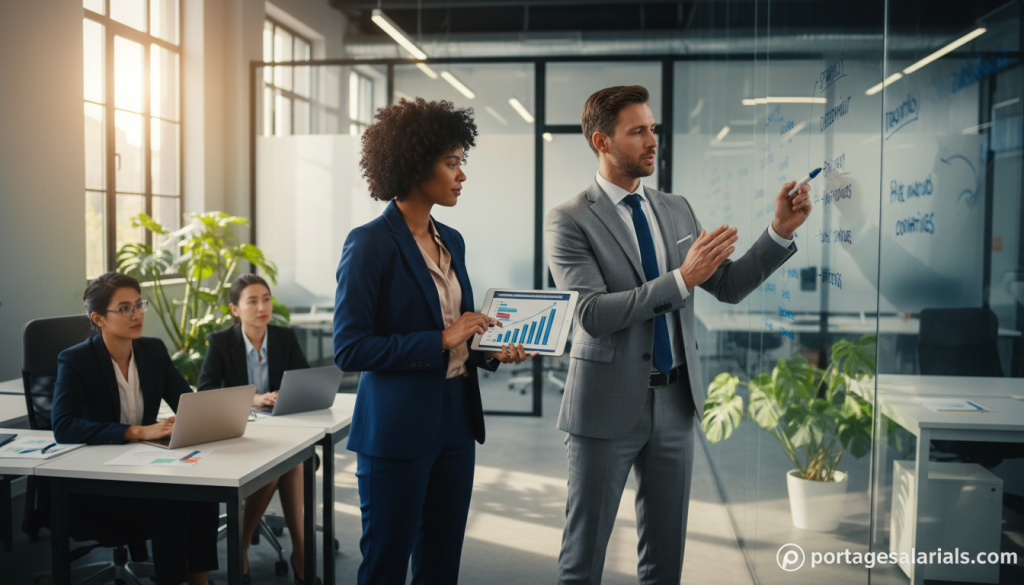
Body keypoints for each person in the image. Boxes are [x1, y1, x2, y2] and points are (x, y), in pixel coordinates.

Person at [545, 85, 813, 585]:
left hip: (675, 402)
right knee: (583, 557)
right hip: (604, 406)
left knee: (665, 559)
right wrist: (680, 281)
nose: (652, 140)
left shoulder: (676, 209)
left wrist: (778, 231)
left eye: (653, 128)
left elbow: (728, 285)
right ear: (602, 141)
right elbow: (591, 314)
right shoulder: (569, 220)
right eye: (638, 131)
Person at [333, 97, 533, 585]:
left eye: (461, 162)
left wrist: (490, 351)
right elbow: (351, 348)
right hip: (397, 426)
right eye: (451, 163)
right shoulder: (369, 244)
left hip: (455, 420)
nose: (461, 175)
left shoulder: (453, 240)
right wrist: (442, 338)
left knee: (442, 561)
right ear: (415, 163)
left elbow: (460, 332)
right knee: (386, 563)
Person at [51, 272, 218, 585]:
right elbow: (64, 426)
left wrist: (201, 419)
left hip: (145, 466)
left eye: (139, 305)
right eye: (124, 308)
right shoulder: (75, 360)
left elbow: (187, 402)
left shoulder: (152, 351)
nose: (137, 314)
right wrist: (139, 431)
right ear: (98, 318)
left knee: (202, 492)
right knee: (174, 499)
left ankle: (199, 582)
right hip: (96, 481)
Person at [196, 273, 315, 584]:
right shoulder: (221, 342)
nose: (262, 307)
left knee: (290, 458)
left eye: (266, 298)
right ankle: (290, 550)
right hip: (239, 435)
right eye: (252, 301)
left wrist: (282, 396)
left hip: (281, 432)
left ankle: (261, 545)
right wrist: (256, 398)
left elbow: (304, 382)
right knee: (284, 462)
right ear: (235, 309)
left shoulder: (283, 337)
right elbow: (206, 391)